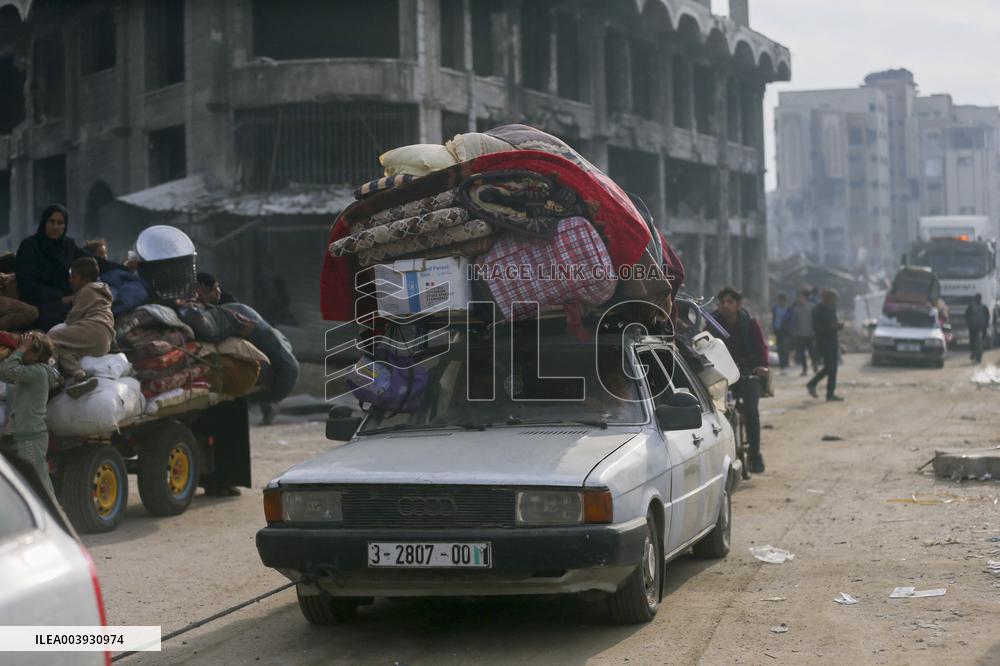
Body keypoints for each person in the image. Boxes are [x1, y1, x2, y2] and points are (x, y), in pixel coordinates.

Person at [15, 204, 123, 331]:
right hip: (41, 301)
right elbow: (26, 284)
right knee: (68, 319)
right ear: (44, 222)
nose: (55, 227)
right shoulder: (30, 246)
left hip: (70, 298)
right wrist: (59, 297)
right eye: (51, 222)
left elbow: (94, 261)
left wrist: (124, 268)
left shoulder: (68, 245)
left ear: (65, 226)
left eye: (60, 223)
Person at [712, 286, 769, 474]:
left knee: (752, 411)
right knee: (716, 415)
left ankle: (755, 455)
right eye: (722, 303)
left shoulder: (750, 324)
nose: (725, 306)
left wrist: (761, 366)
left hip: (747, 373)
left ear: (738, 305)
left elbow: (761, 349)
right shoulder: (712, 324)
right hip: (722, 375)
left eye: (730, 302)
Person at [0, 332, 61, 497]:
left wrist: (20, 350)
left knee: (37, 484)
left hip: (31, 437)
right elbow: (4, 373)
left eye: (25, 349)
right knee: (36, 481)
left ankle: (53, 518)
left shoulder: (37, 373)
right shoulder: (31, 372)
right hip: (27, 435)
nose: (19, 351)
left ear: (35, 355)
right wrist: (20, 351)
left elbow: (8, 369)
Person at [47, 258, 115, 398]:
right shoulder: (100, 290)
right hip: (104, 339)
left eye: (74, 277)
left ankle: (52, 376)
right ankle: (80, 376)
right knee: (64, 349)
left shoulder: (86, 290)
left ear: (85, 280)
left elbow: (72, 319)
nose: (70, 280)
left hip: (93, 328)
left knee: (50, 338)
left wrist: (68, 302)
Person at [807, 289, 844, 401]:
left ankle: (830, 394)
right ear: (826, 298)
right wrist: (831, 327)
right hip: (823, 342)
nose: (834, 301)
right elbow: (816, 328)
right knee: (829, 367)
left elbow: (834, 323)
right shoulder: (817, 310)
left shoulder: (832, 308)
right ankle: (812, 383)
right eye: (832, 299)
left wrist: (839, 326)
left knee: (834, 368)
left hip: (833, 341)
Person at [791, 290, 817, 376]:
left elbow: (815, 320)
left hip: (810, 334)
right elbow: (794, 322)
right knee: (801, 354)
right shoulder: (796, 308)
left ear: (805, 298)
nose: (799, 298)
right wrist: (794, 333)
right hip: (800, 334)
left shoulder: (811, 307)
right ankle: (804, 369)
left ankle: (814, 365)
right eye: (798, 297)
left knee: (812, 352)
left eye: (801, 297)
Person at [965, 293, 990, 365]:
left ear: (975, 299)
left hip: (973, 327)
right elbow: (988, 317)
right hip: (983, 327)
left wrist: (968, 324)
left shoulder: (971, 307)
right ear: (981, 299)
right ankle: (984, 343)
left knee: (972, 339)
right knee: (984, 337)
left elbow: (966, 316)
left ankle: (972, 351)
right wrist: (986, 325)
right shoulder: (984, 307)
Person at [771, 293, 793, 374]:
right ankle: (782, 366)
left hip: (785, 332)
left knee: (785, 348)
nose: (780, 302)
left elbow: (790, 321)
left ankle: (786, 365)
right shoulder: (775, 308)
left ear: (785, 301)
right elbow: (774, 319)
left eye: (782, 300)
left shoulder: (788, 309)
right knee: (779, 349)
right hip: (777, 331)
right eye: (779, 300)